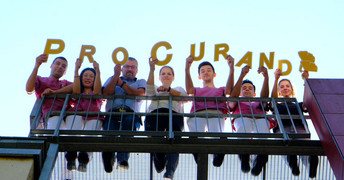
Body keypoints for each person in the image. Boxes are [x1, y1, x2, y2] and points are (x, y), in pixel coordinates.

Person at [185, 55, 234, 167]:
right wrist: (187, 69)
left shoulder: (220, 89)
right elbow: (189, 90)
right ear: (199, 76)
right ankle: (199, 156)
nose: (206, 72)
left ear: (214, 74)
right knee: (197, 134)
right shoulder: (197, 90)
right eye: (202, 71)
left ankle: (217, 153)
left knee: (215, 133)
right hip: (198, 113)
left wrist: (231, 69)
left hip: (215, 113)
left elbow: (229, 90)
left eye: (208, 70)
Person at [271, 68, 319, 178]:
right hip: (282, 129)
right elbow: (273, 99)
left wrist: (306, 81)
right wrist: (276, 79)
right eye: (282, 87)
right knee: (285, 147)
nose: (285, 88)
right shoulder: (277, 104)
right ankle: (293, 163)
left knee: (305, 148)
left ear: (292, 89)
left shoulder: (297, 103)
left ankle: (311, 164)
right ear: (279, 91)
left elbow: (307, 102)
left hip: (299, 128)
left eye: (287, 86)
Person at [102, 57, 147, 173]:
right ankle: (108, 158)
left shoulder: (140, 82)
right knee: (108, 133)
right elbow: (106, 94)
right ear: (122, 69)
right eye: (127, 66)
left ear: (137, 70)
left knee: (128, 125)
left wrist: (122, 85)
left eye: (133, 67)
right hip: (113, 113)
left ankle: (122, 159)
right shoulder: (112, 79)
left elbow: (140, 95)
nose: (130, 69)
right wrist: (115, 77)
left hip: (131, 114)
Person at [145, 58, 187, 179]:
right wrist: (152, 70)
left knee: (174, 141)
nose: (166, 76)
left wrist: (168, 90)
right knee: (156, 139)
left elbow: (184, 97)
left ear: (173, 78)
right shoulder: (155, 87)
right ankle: (159, 160)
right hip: (155, 115)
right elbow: (149, 91)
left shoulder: (178, 88)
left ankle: (170, 172)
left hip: (174, 115)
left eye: (169, 74)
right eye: (163, 73)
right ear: (159, 77)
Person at [229, 65, 276, 176]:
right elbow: (232, 99)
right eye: (244, 88)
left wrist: (266, 77)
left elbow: (264, 99)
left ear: (254, 93)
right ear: (240, 92)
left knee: (263, 126)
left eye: (250, 88)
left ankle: (260, 159)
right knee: (244, 123)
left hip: (259, 119)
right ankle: (244, 156)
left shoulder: (257, 102)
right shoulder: (238, 102)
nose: (247, 90)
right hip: (243, 118)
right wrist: (242, 75)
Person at [64, 59, 104, 172]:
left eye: (91, 76)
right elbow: (75, 93)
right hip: (78, 114)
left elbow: (97, 92)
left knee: (90, 133)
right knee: (73, 123)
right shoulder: (78, 92)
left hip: (93, 116)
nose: (88, 78)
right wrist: (76, 69)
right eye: (85, 75)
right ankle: (71, 156)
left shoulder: (96, 92)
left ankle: (84, 158)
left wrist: (98, 71)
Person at [26, 54, 73, 129]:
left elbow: (77, 86)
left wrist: (55, 92)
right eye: (58, 63)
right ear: (51, 66)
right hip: (51, 117)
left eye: (63, 66)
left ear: (65, 72)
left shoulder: (65, 83)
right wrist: (37, 65)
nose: (60, 66)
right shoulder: (41, 80)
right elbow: (29, 89)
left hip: (67, 118)